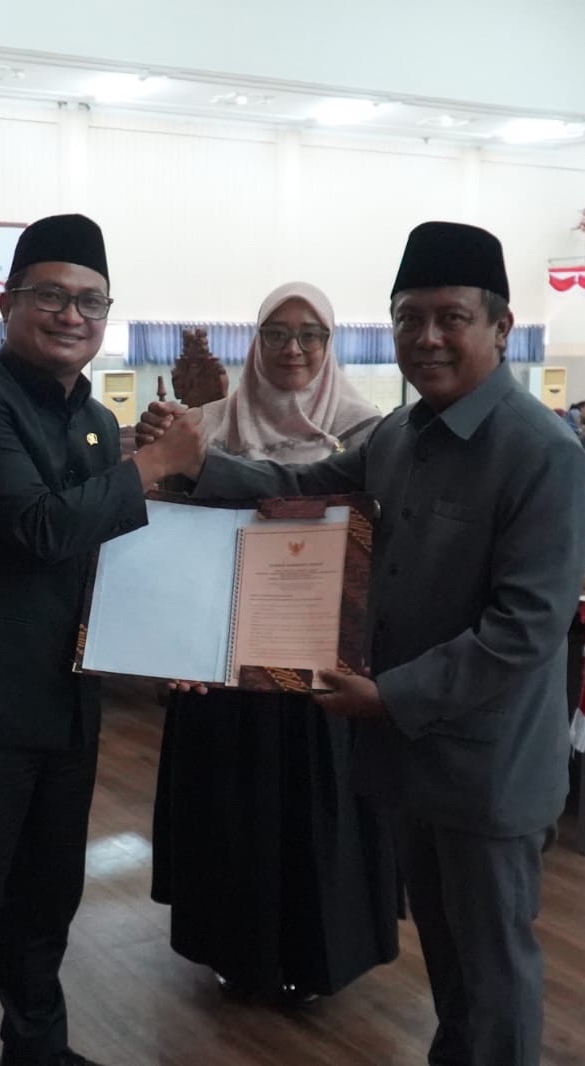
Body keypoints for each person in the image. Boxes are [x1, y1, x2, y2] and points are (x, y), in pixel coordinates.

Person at [141, 220, 585, 1066]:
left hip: (486, 766)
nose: (427, 338)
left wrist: (389, 697)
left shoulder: (542, 453)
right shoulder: (400, 434)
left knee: (494, 971)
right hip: (408, 759)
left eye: (451, 318)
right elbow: (300, 489)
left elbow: (524, 630)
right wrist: (198, 463)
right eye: (408, 318)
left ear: (501, 326)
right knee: (451, 963)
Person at [0, 213, 200, 1066]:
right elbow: (40, 528)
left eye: (91, 302)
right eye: (52, 297)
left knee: (45, 905)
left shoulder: (96, 420)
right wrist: (152, 466)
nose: (72, 315)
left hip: (65, 704)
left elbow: (111, 553)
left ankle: (38, 1052)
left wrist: (176, 643)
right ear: (8, 303)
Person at [147, 281, 398, 1006]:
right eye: (278, 333)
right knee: (233, 810)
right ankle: (234, 950)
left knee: (318, 811)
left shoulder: (367, 432)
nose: (294, 349)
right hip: (224, 658)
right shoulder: (204, 427)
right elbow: (170, 526)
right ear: (256, 343)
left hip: (324, 661)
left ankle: (320, 958)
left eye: (310, 334)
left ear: (330, 344)